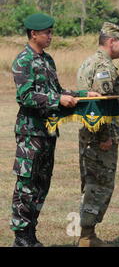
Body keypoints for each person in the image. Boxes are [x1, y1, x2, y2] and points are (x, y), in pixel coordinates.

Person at [10, 13, 100, 247]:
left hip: (48, 131)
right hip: (30, 133)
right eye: (47, 33)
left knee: (42, 184)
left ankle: (31, 233)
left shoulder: (48, 60)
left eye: (51, 32)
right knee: (26, 183)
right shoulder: (24, 60)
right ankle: (21, 236)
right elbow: (25, 96)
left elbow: (58, 91)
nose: (51, 36)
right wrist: (57, 100)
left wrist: (82, 95)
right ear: (33, 34)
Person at [76, 22, 119, 247]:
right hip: (98, 139)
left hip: (91, 137)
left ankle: (88, 233)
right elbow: (101, 105)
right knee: (98, 184)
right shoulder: (102, 66)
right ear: (111, 42)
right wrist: (104, 136)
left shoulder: (91, 61)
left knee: (92, 182)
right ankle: (86, 235)